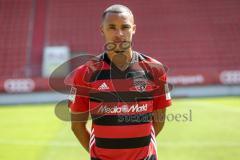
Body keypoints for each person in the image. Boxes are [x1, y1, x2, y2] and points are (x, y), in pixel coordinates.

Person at [69, 4, 171, 160]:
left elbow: (159, 120)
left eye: (125, 27)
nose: (119, 33)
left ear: (134, 29)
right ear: (102, 30)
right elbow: (77, 126)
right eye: (112, 27)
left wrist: (138, 149)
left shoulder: (156, 70)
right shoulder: (84, 74)